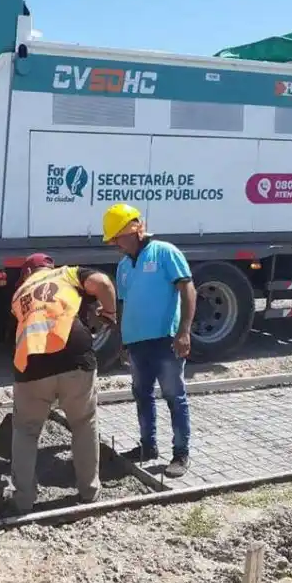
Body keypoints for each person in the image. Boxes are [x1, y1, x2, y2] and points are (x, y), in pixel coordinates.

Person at [6, 253, 117, 513]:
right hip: (74, 357)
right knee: (83, 424)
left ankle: (22, 501)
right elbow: (103, 283)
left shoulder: (19, 293)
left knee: (25, 431)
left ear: (27, 274)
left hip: (31, 364)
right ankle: (89, 492)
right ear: (50, 267)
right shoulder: (66, 273)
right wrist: (110, 313)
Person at [102, 203, 196, 478]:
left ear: (134, 230)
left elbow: (187, 289)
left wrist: (184, 332)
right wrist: (123, 341)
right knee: (142, 395)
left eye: (117, 238)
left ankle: (181, 453)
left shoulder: (165, 252)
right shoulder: (123, 266)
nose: (115, 244)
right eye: (112, 240)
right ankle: (148, 447)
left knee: (174, 397)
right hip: (137, 344)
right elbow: (123, 303)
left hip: (166, 340)